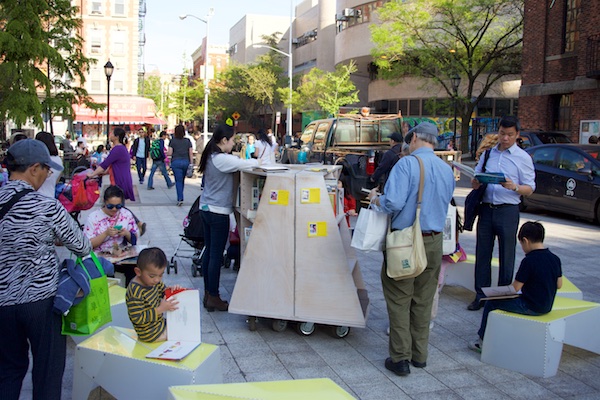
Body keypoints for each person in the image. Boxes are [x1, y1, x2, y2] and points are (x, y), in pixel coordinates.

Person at [0, 139, 92, 400]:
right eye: (45, 169)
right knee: (48, 372)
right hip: (41, 302)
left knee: (7, 371)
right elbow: (82, 246)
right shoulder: (46, 206)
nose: (48, 174)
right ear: (33, 169)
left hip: (3, 304)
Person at [368, 121, 455, 376]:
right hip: (434, 241)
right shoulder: (445, 168)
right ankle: (420, 356)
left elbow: (392, 202)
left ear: (414, 137)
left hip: (406, 241)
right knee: (424, 300)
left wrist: (376, 199)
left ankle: (400, 358)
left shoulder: (406, 164)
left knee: (398, 298)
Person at [468, 116, 536, 311]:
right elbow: (476, 177)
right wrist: (476, 182)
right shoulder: (488, 154)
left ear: (517, 135)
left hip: (508, 209)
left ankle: (503, 297)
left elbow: (530, 187)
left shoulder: (522, 158)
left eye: (509, 135)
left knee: (507, 255)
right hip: (487, 208)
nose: (505, 138)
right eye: (502, 134)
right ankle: (480, 295)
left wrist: (514, 187)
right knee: (483, 254)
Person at [469, 221, 562, 352]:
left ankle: (482, 341)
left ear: (525, 241)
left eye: (522, 244)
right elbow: (559, 285)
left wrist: (495, 292)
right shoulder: (555, 258)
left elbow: (515, 288)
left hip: (530, 306)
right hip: (547, 305)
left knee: (491, 303)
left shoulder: (529, 261)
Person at [199, 124, 259, 311]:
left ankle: (208, 294)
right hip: (217, 212)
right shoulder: (222, 159)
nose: (233, 144)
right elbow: (249, 164)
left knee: (209, 253)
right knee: (215, 255)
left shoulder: (211, 156)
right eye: (232, 140)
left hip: (206, 208)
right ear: (223, 140)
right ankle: (214, 296)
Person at [126, 247, 181, 342]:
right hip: (150, 334)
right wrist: (160, 309)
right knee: (182, 336)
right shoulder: (135, 291)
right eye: (152, 276)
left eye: (160, 275)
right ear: (138, 272)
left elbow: (163, 291)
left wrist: (172, 290)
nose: (157, 280)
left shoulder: (153, 282)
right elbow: (137, 318)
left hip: (159, 325)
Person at [83, 185, 138, 253]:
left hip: (120, 253)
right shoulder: (93, 217)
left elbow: (135, 239)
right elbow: (87, 245)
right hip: (99, 257)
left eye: (118, 206)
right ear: (104, 202)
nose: (114, 209)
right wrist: (105, 234)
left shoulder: (126, 214)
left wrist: (126, 233)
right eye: (110, 206)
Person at [87, 127, 135, 201]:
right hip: (120, 180)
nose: (110, 135)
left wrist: (92, 174)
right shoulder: (121, 148)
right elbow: (113, 165)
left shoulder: (118, 149)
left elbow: (105, 164)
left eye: (112, 133)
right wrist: (104, 173)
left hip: (119, 181)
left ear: (117, 137)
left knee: (113, 205)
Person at [168, 125, 193, 206]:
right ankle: (180, 195)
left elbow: (170, 153)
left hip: (176, 162)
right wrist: (191, 163)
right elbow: (190, 153)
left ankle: (180, 198)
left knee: (178, 181)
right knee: (182, 180)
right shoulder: (187, 141)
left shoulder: (173, 141)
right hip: (186, 162)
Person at [34, 131, 63, 198]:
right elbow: (56, 181)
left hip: (36, 198)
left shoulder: (37, 160)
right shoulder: (58, 160)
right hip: (50, 196)